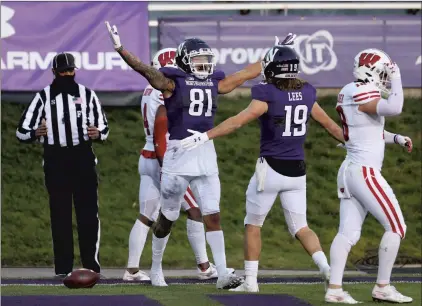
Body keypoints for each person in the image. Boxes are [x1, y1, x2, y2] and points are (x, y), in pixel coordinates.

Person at [105, 21, 285, 289]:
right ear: (185, 62)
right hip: (178, 154)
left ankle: (222, 272)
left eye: (206, 58)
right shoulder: (171, 83)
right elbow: (144, 70)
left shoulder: (215, 82)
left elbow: (245, 73)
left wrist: (276, 52)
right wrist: (121, 49)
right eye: (198, 59)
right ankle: (156, 268)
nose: (204, 63)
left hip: (205, 152)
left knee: (212, 213)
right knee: (167, 216)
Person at [180, 42, 345, 292]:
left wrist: (205, 136)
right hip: (297, 171)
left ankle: (251, 282)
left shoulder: (266, 92)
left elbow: (237, 121)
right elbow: (332, 127)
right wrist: (356, 145)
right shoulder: (308, 91)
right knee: (301, 226)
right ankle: (326, 269)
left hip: (270, 168)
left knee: (253, 224)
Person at [123, 48, 233, 282]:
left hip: (148, 155)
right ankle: (204, 267)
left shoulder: (150, 89)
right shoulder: (166, 90)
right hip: (167, 156)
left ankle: (132, 269)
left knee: (147, 215)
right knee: (193, 211)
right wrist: (167, 166)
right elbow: (162, 131)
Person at [324, 49, 413, 304]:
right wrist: (397, 76)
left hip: (352, 169)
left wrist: (395, 138)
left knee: (348, 234)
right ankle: (382, 286)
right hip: (364, 171)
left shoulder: (351, 92)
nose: (386, 78)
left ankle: (335, 289)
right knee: (397, 226)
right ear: (370, 71)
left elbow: (369, 131)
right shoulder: (359, 91)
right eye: (384, 73)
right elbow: (395, 106)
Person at [16, 53, 109, 278]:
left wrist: (98, 133)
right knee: (60, 215)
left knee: (88, 214)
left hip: (83, 158)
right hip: (56, 160)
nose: (67, 74)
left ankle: (91, 266)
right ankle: (63, 268)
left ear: (75, 70)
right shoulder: (43, 97)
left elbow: (104, 127)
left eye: (70, 70)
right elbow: (21, 131)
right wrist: (35, 132)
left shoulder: (88, 94)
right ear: (54, 72)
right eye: (63, 71)